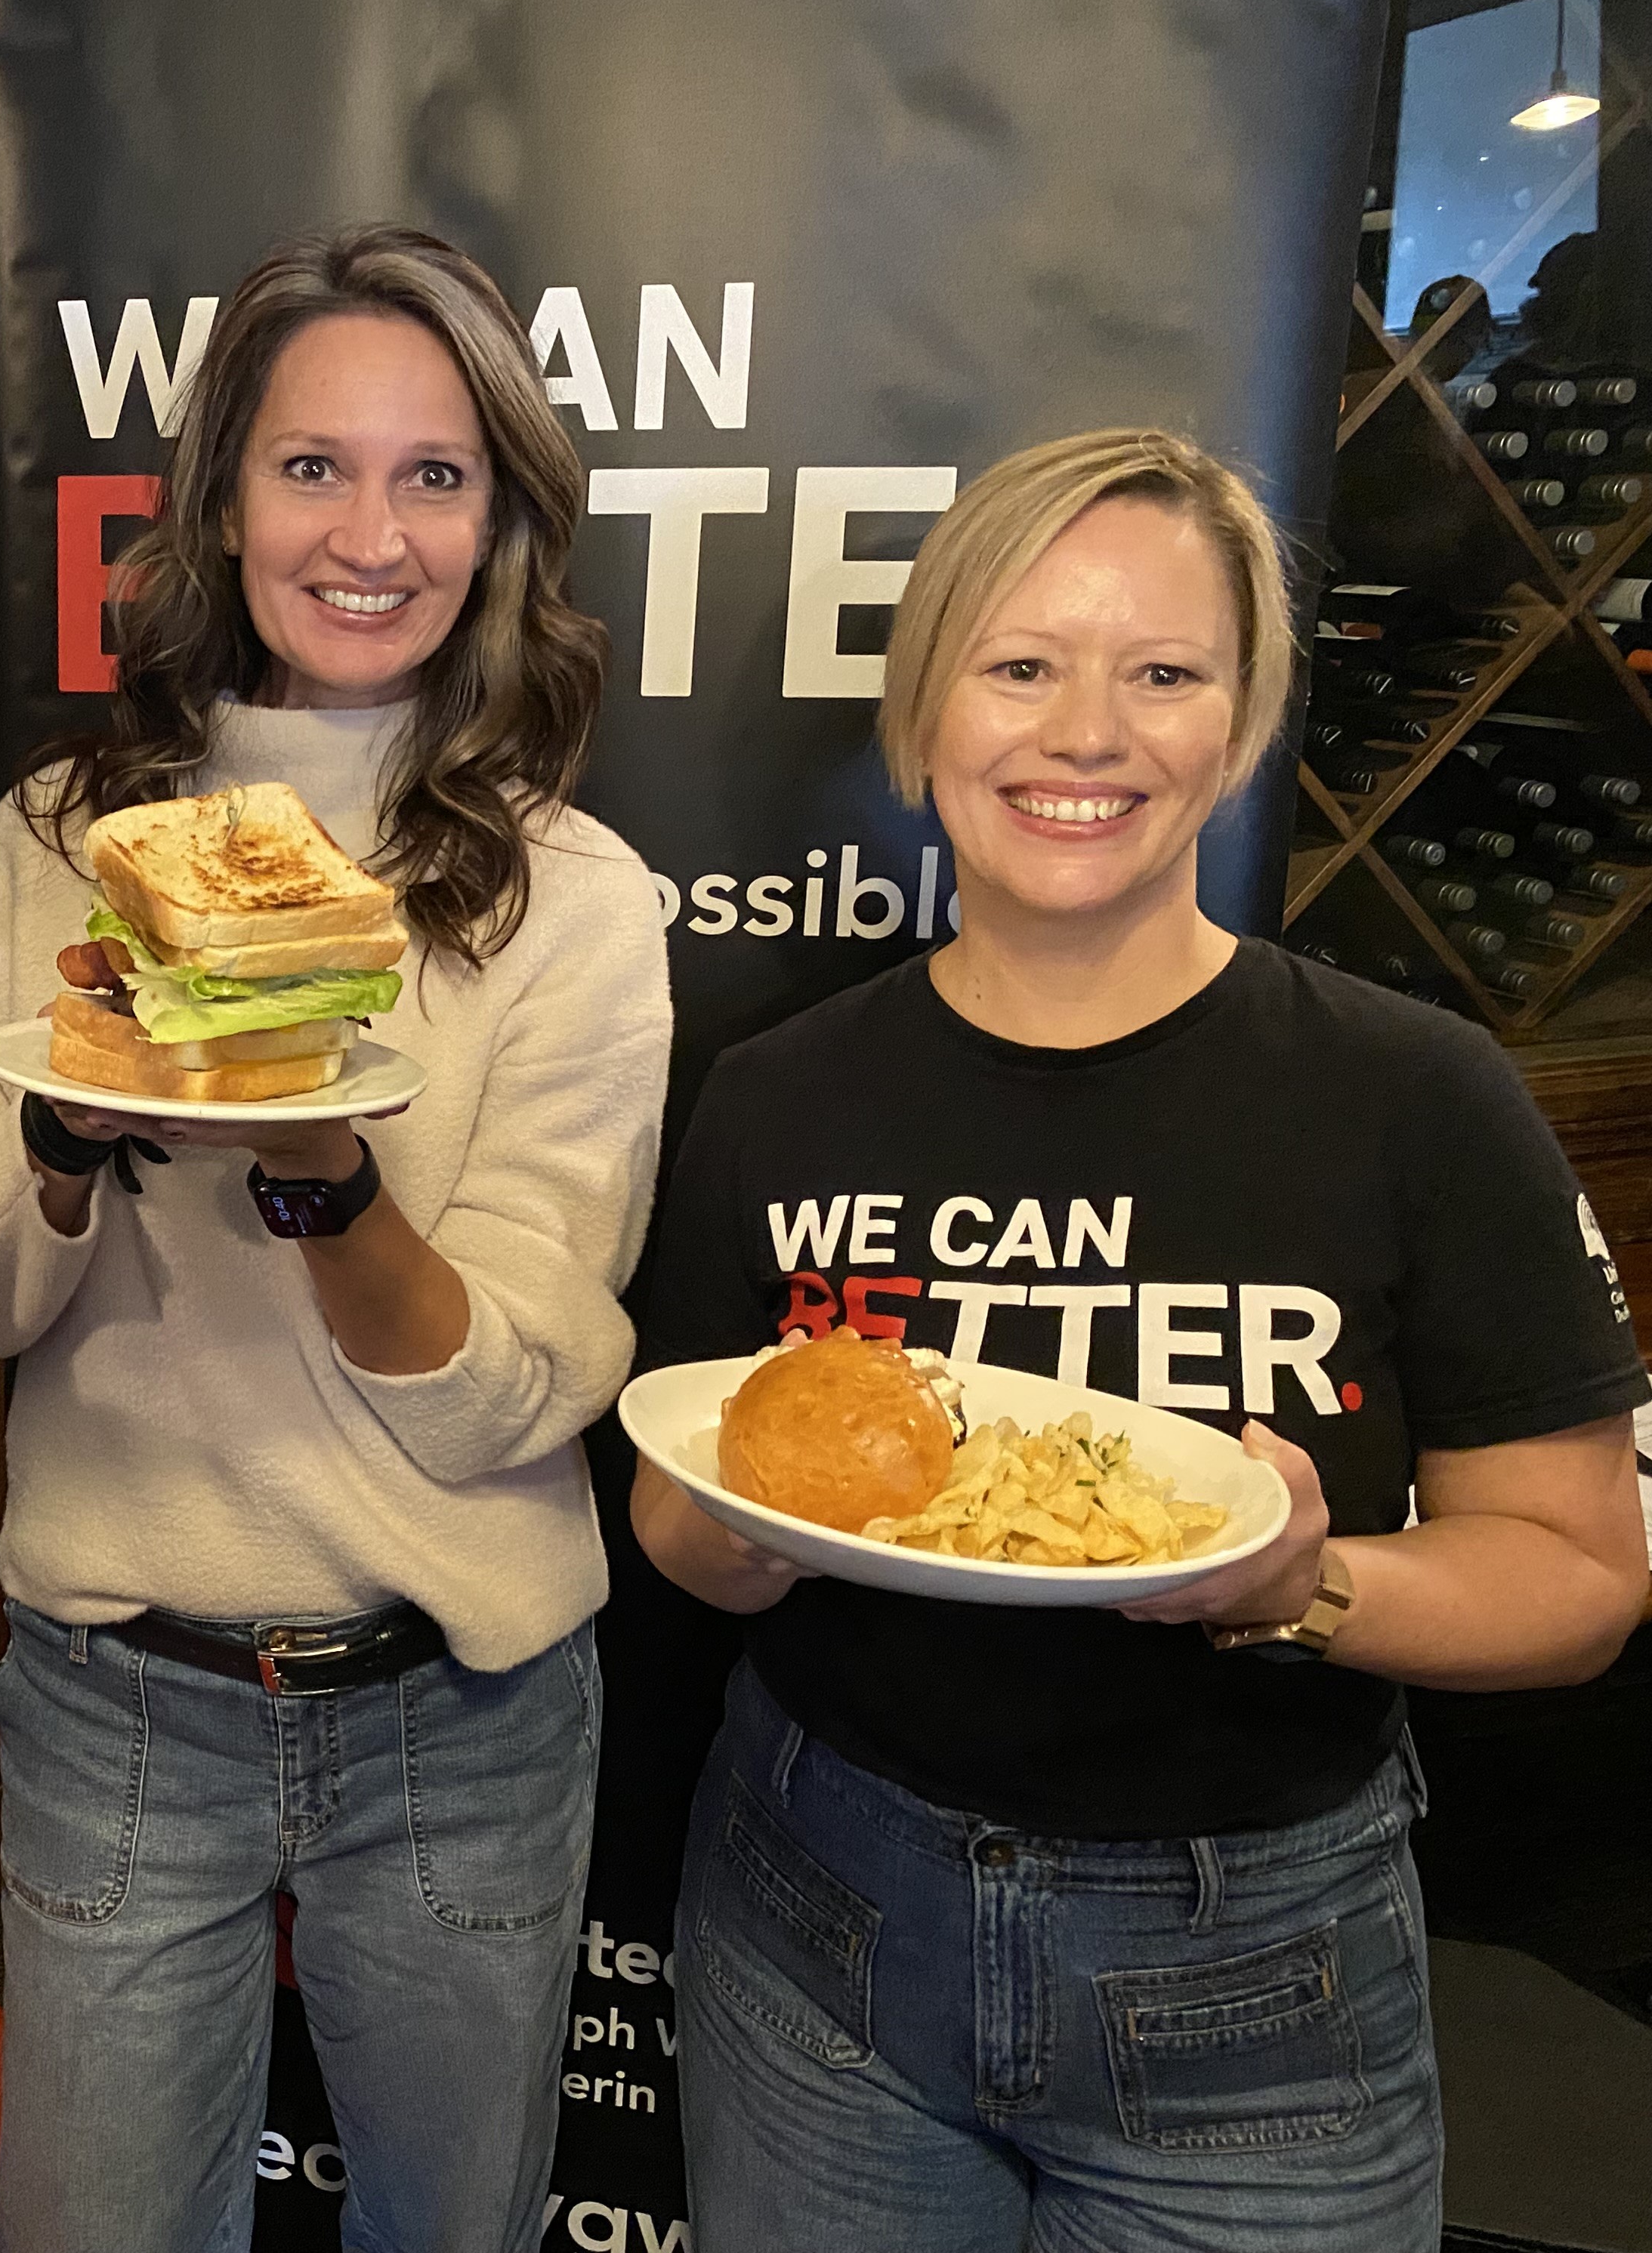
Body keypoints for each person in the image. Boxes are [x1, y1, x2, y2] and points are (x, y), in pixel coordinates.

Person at [630, 427, 1649, 2252]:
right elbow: (687, 1519)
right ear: (927, 704)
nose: (1084, 733)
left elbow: (1578, 1577)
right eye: (1020, 666)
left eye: (1163, 672)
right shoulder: (778, 1094)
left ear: (1242, 722)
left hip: (1257, 1977)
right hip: (817, 1926)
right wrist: (738, 1532)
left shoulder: (1417, 1098)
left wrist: (1304, 1586)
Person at [0, 223, 672, 2251]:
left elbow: (535, 1385)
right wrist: (60, 1132)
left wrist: (321, 1182)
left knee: (452, 2233)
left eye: (434, 473)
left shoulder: (577, 900)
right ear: (220, 504)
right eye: (312, 467)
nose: (369, 532)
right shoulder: (65, 849)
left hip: (461, 1715)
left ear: (499, 525)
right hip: (128, 1694)